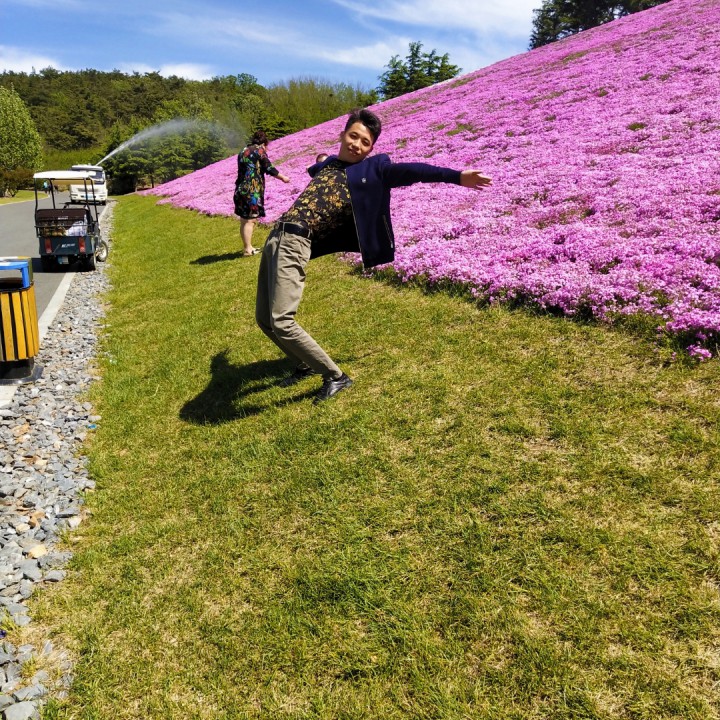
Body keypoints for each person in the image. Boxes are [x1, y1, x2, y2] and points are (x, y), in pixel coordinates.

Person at [256, 108, 492, 404]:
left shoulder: (374, 170)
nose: (357, 144)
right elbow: (318, 166)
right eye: (353, 136)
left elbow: (414, 171)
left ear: (371, 149)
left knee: (282, 320)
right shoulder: (328, 166)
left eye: (365, 142)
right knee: (264, 319)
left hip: (297, 242)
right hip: (276, 237)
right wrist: (319, 160)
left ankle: (335, 377)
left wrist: (456, 176)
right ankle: (303, 364)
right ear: (342, 135)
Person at [233, 130, 290, 256]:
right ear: (264, 143)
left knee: (244, 220)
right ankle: (248, 250)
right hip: (251, 190)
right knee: (251, 220)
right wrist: (283, 177)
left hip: (240, 189)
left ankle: (247, 247)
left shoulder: (243, 151)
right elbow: (268, 167)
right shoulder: (259, 150)